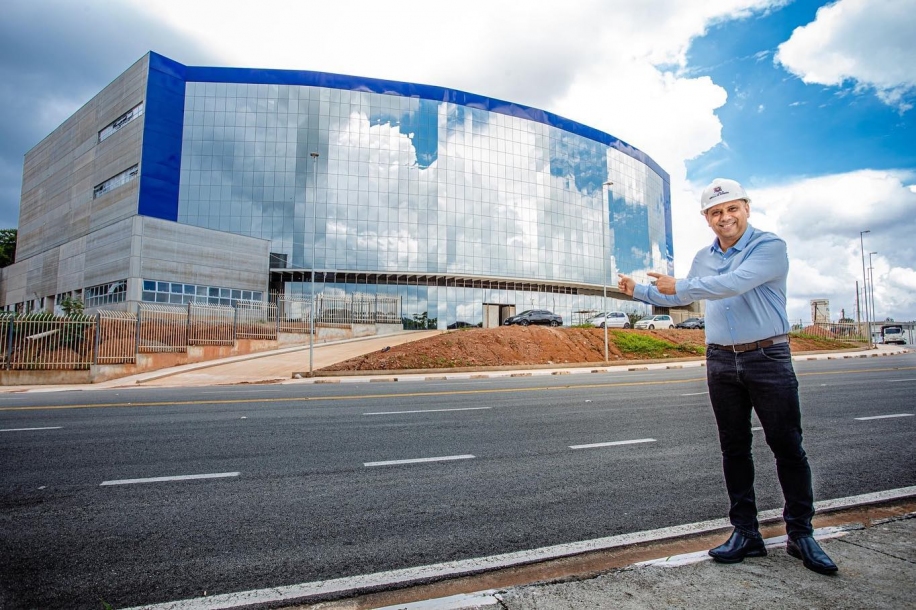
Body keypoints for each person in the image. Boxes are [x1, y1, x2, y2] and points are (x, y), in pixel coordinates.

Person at [617, 178, 837, 575]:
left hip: (767, 356)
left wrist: (683, 284)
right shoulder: (704, 257)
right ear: (706, 218)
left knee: (787, 446)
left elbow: (731, 283)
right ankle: (746, 533)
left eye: (731, 208)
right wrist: (638, 292)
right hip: (720, 360)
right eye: (716, 212)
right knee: (734, 449)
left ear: (746, 208)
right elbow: (682, 297)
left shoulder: (769, 247)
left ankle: (801, 533)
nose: (725, 217)